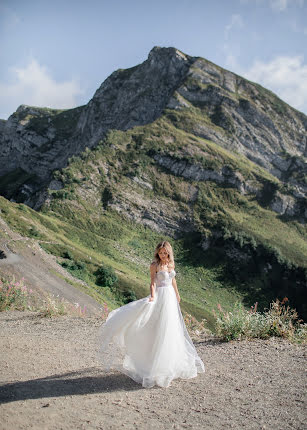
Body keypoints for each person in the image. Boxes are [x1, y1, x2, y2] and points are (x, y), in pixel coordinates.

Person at [96, 240, 205, 388]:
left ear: (169, 252)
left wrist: (177, 295)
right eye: (160, 253)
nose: (162, 255)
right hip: (160, 296)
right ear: (157, 253)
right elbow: (152, 282)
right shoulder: (154, 265)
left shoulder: (171, 264)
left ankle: (169, 363)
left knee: (171, 328)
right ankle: (152, 364)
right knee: (158, 327)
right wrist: (152, 296)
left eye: (165, 253)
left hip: (170, 298)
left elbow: (173, 281)